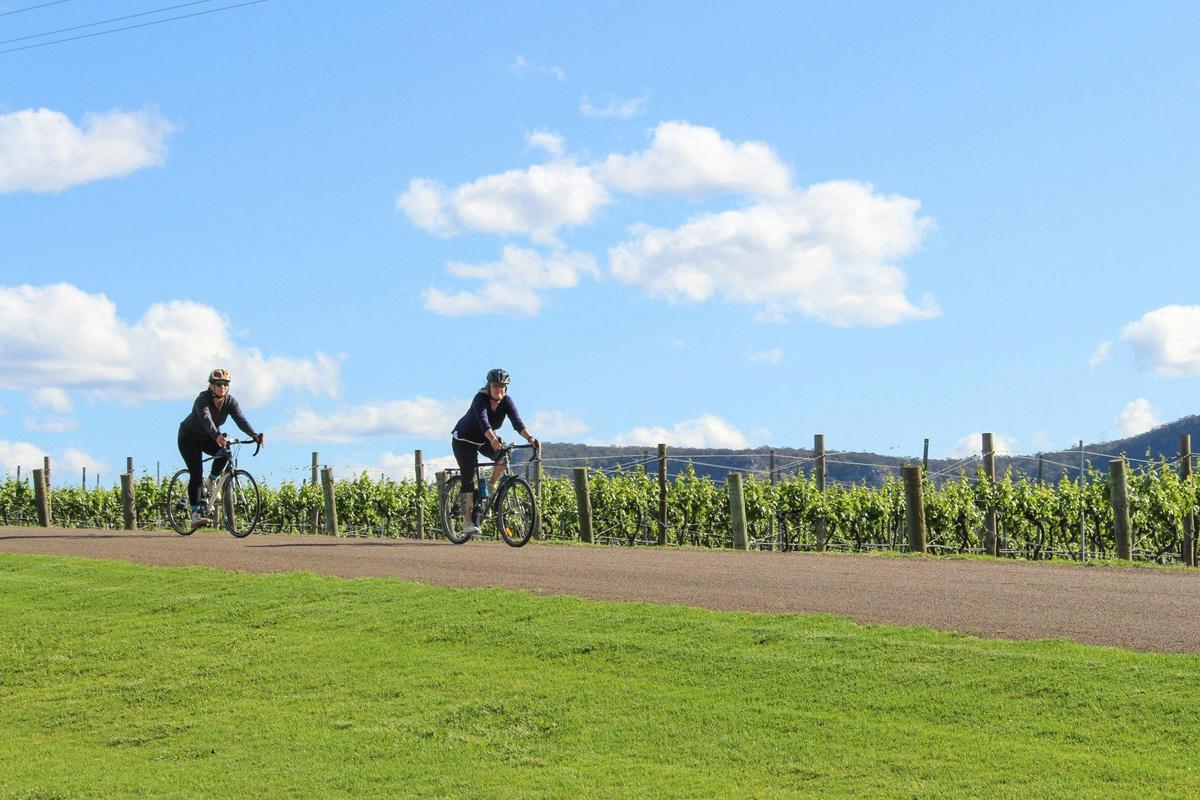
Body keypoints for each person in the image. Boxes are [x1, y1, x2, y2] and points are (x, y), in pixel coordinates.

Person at [451, 368, 539, 536]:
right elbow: (483, 422)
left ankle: (491, 486)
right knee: (468, 479)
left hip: (484, 439)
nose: (499, 389)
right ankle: (467, 522)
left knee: (504, 456)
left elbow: (517, 423)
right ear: (489, 386)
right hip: (464, 440)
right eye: (496, 386)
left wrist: (530, 438)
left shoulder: (506, 401)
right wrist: (493, 439)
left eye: (502, 386)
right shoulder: (480, 399)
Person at [178, 368, 264, 527]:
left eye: (225, 384)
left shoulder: (230, 402)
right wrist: (217, 435)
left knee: (225, 453)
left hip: (208, 438)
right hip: (189, 438)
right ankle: (195, 514)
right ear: (211, 385)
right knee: (196, 473)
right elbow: (206, 420)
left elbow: (240, 419)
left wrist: (254, 435)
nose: (222, 387)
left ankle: (211, 480)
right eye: (219, 384)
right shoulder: (202, 400)